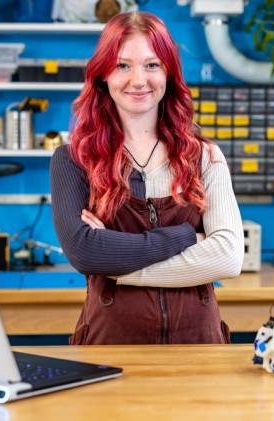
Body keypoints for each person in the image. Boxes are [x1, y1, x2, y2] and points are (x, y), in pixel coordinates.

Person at [50, 12, 244, 345]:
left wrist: (121, 269)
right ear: (103, 75)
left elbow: (227, 256)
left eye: (152, 65)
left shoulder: (205, 157)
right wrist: (186, 236)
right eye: (123, 65)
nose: (138, 80)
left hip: (199, 348)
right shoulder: (74, 160)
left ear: (169, 73)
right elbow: (85, 253)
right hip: (111, 349)